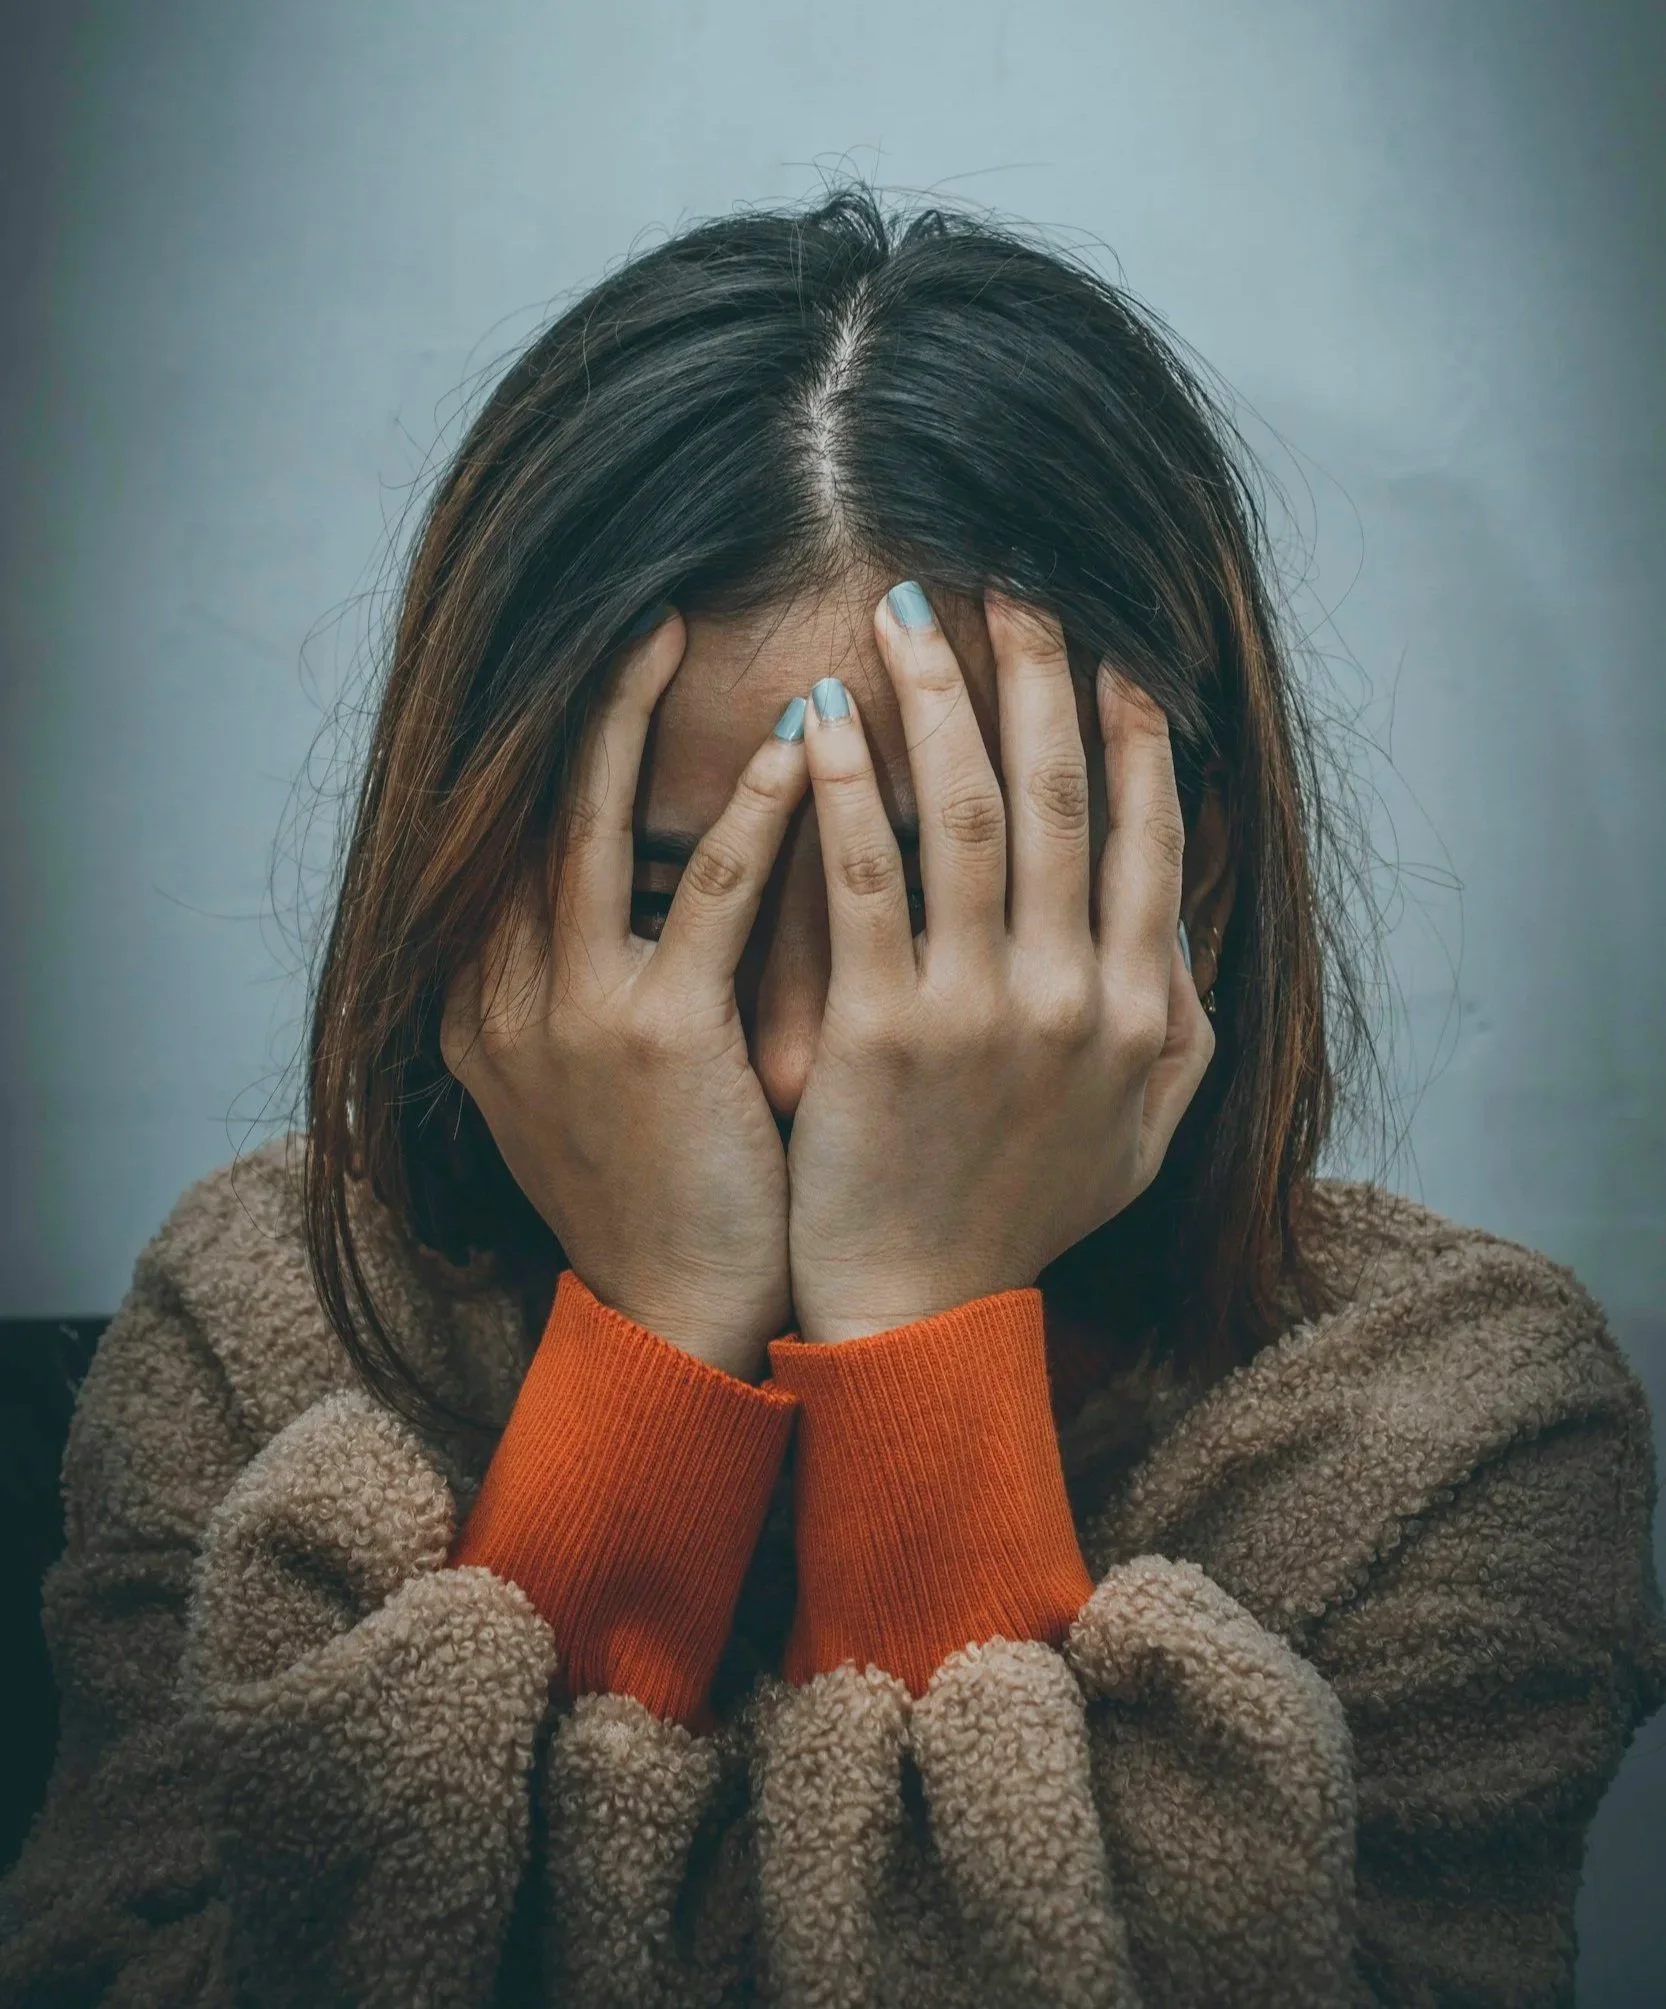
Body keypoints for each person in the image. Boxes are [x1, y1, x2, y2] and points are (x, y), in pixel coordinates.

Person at [1, 184, 1660, 2009]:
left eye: (929, 910)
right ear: (461, 871)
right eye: (663, 901)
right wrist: (648, 1362)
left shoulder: (1449, 1425)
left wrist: (918, 1336)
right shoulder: (271, 1323)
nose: (792, 1060)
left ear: (1180, 880)